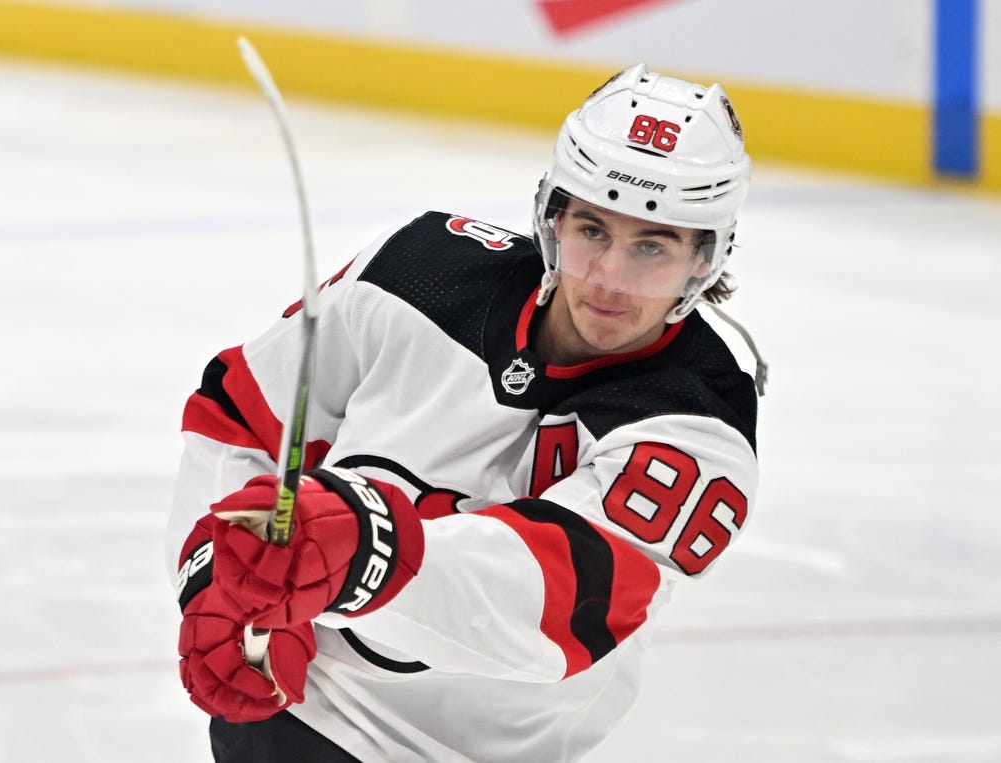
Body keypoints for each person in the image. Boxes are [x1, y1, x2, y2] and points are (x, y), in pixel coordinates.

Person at [167, 62, 763, 762]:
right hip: (301, 708)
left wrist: (365, 550)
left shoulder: (697, 421)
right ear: (552, 217)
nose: (608, 277)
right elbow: (242, 413)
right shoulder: (418, 271)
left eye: (651, 248)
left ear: (704, 260)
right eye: (592, 230)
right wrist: (217, 576)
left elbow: (556, 603)